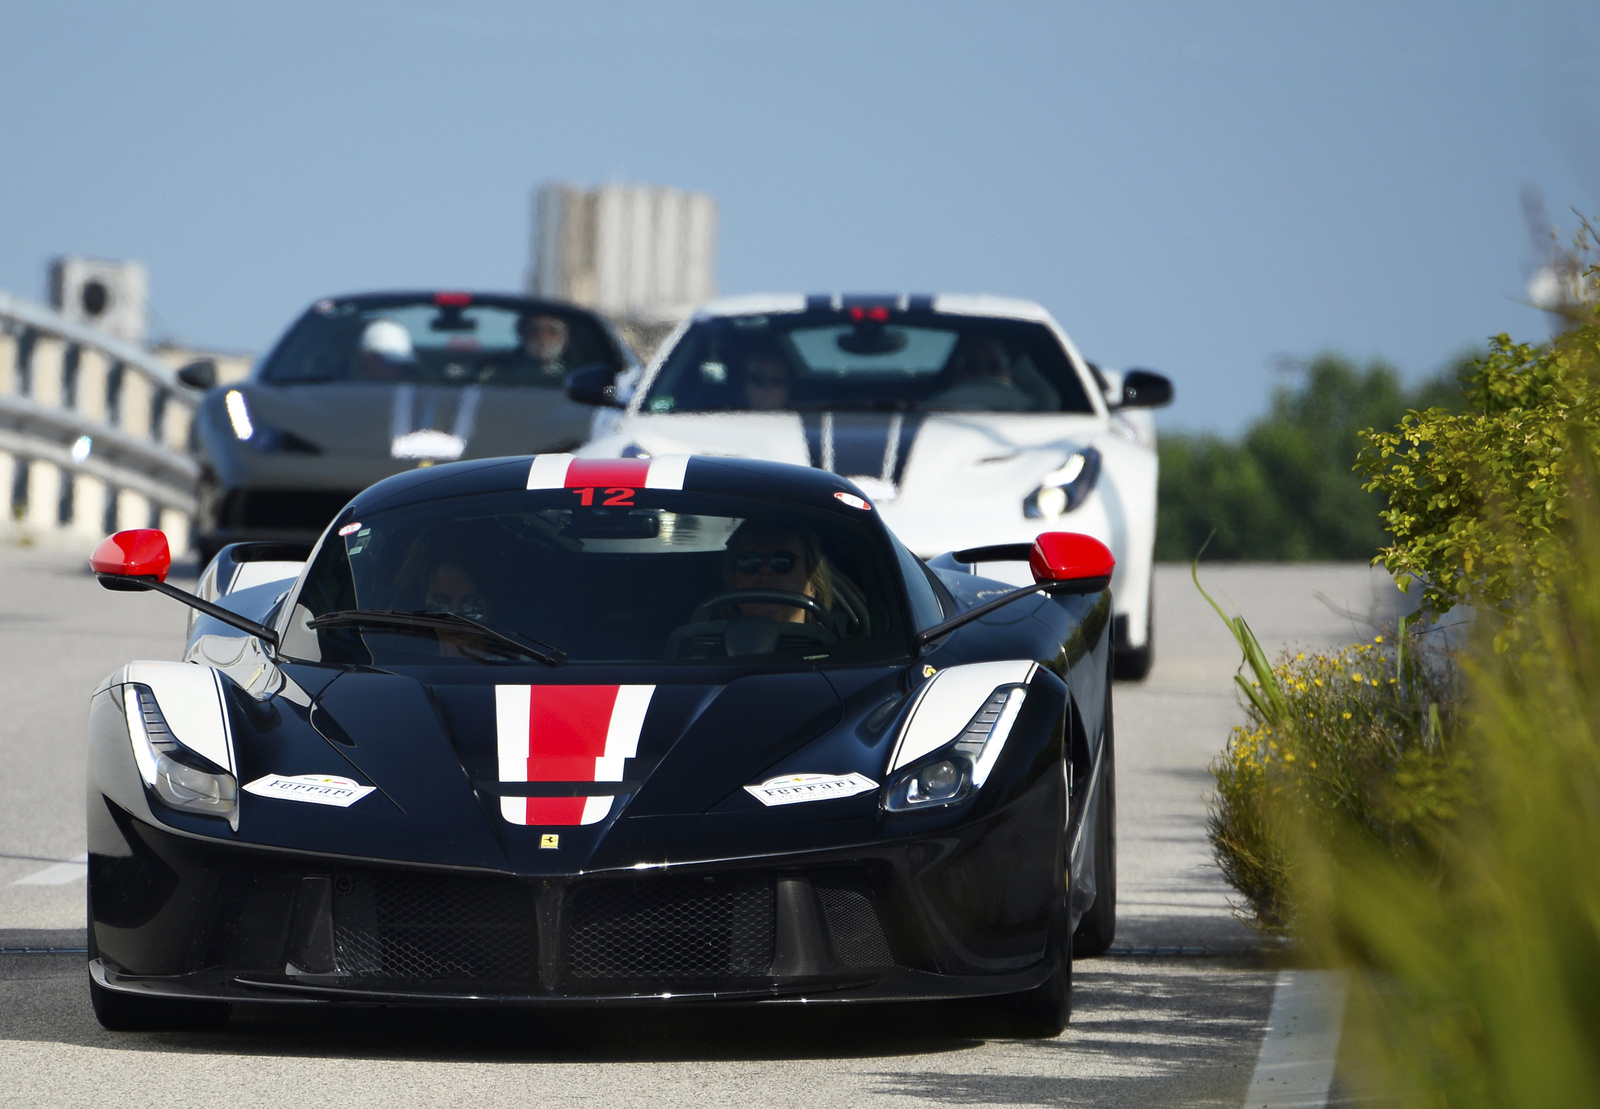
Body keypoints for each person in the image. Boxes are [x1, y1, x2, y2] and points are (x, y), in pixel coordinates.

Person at [720, 520, 834, 623]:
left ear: (813, 583)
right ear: (732, 577)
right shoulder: (705, 641)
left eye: (783, 561)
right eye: (748, 561)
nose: (765, 570)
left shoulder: (835, 645)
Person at [929, 335, 1032, 410]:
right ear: (955, 373)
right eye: (971, 365)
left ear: (1009, 374)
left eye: (993, 366)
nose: (983, 372)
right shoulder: (931, 408)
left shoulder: (1032, 411)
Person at [512, 313, 571, 384]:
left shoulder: (578, 371)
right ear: (523, 335)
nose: (542, 336)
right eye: (534, 330)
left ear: (565, 337)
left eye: (552, 330)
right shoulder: (506, 371)